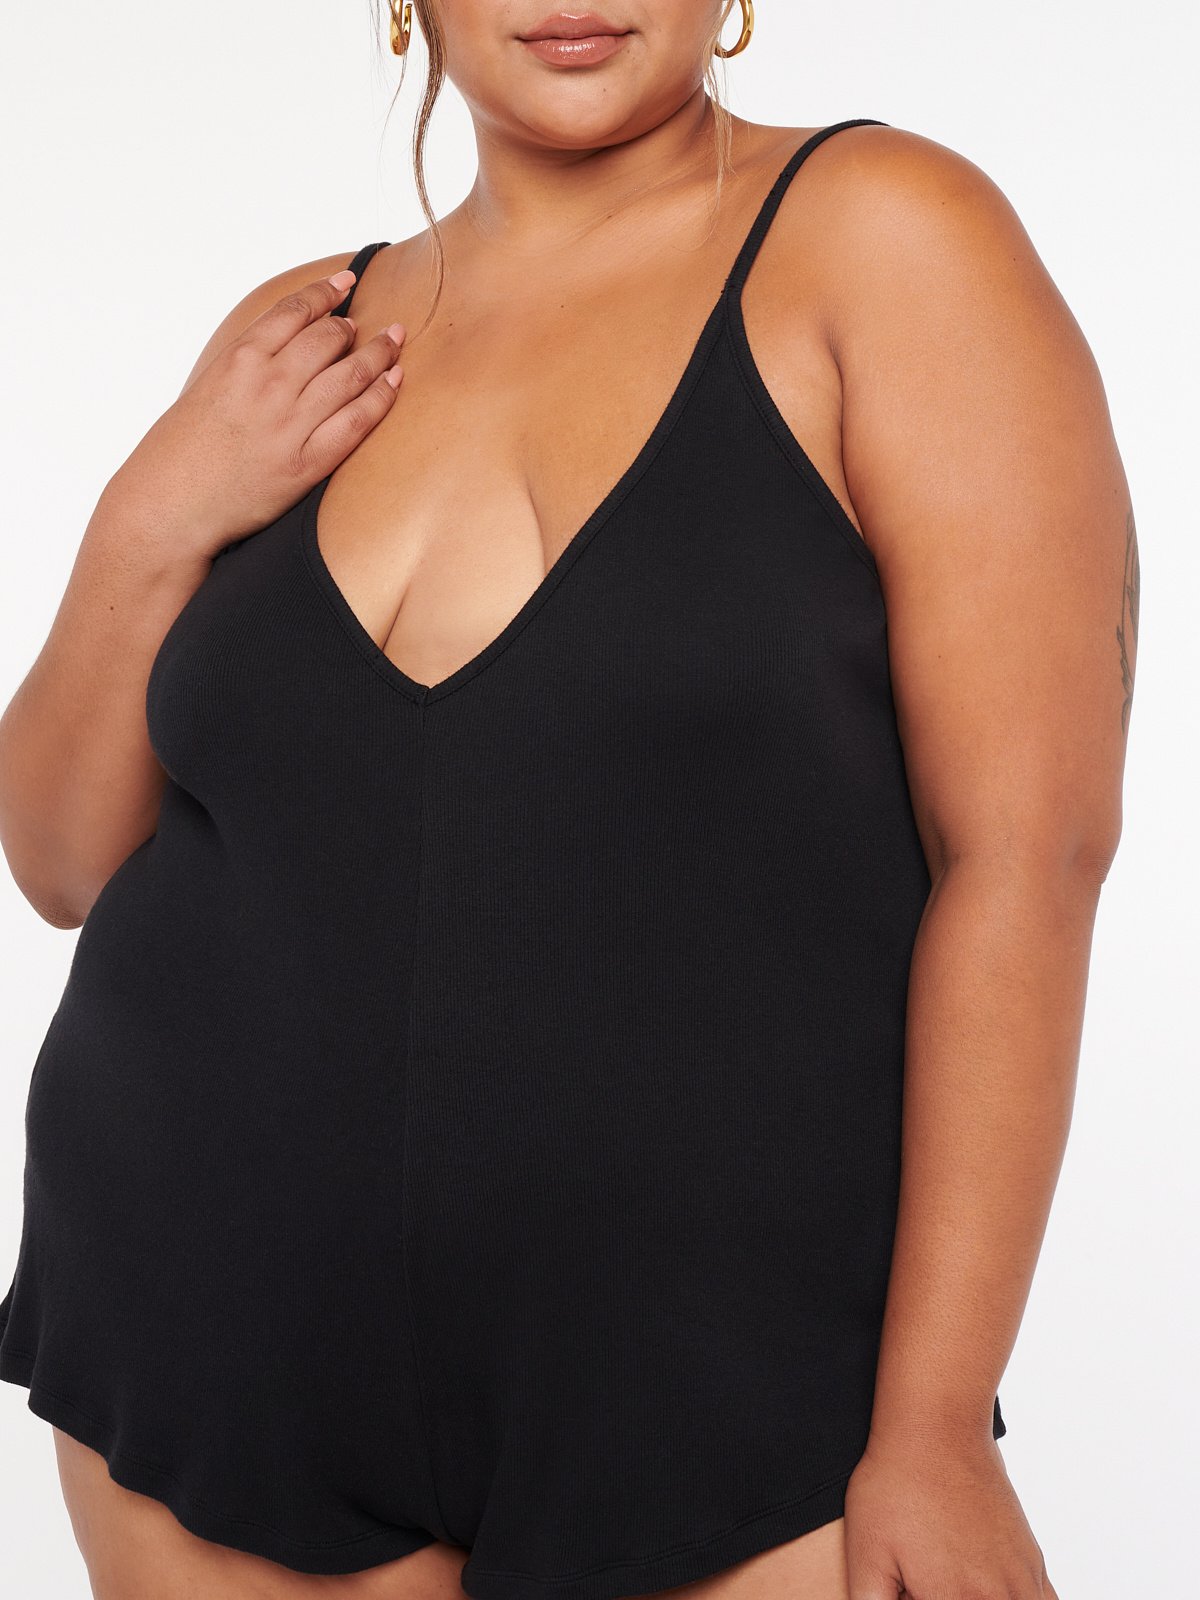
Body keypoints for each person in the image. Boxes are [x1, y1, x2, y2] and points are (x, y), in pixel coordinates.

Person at [0, 2, 1135, 1598]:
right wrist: (151, 513)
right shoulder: (307, 329)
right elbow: (62, 860)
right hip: (205, 1321)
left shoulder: (886, 240)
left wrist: (936, 1424)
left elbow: (1025, 854)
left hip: (737, 1387)